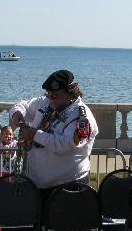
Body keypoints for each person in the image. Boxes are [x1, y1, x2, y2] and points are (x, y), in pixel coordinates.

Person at [9, 70, 99, 200]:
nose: (50, 99)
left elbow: (70, 144)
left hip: (68, 185)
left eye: (55, 96)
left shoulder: (83, 118)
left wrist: (35, 135)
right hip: (37, 185)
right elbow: (23, 105)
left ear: (70, 92)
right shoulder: (46, 102)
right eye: (49, 94)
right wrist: (17, 113)